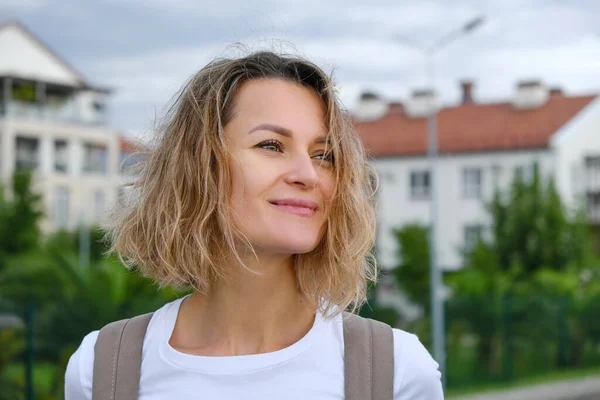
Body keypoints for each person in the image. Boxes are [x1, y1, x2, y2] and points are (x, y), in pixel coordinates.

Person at [64, 50, 444, 399]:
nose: (307, 174)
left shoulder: (396, 372)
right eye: (271, 145)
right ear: (200, 166)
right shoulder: (102, 369)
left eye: (323, 155)